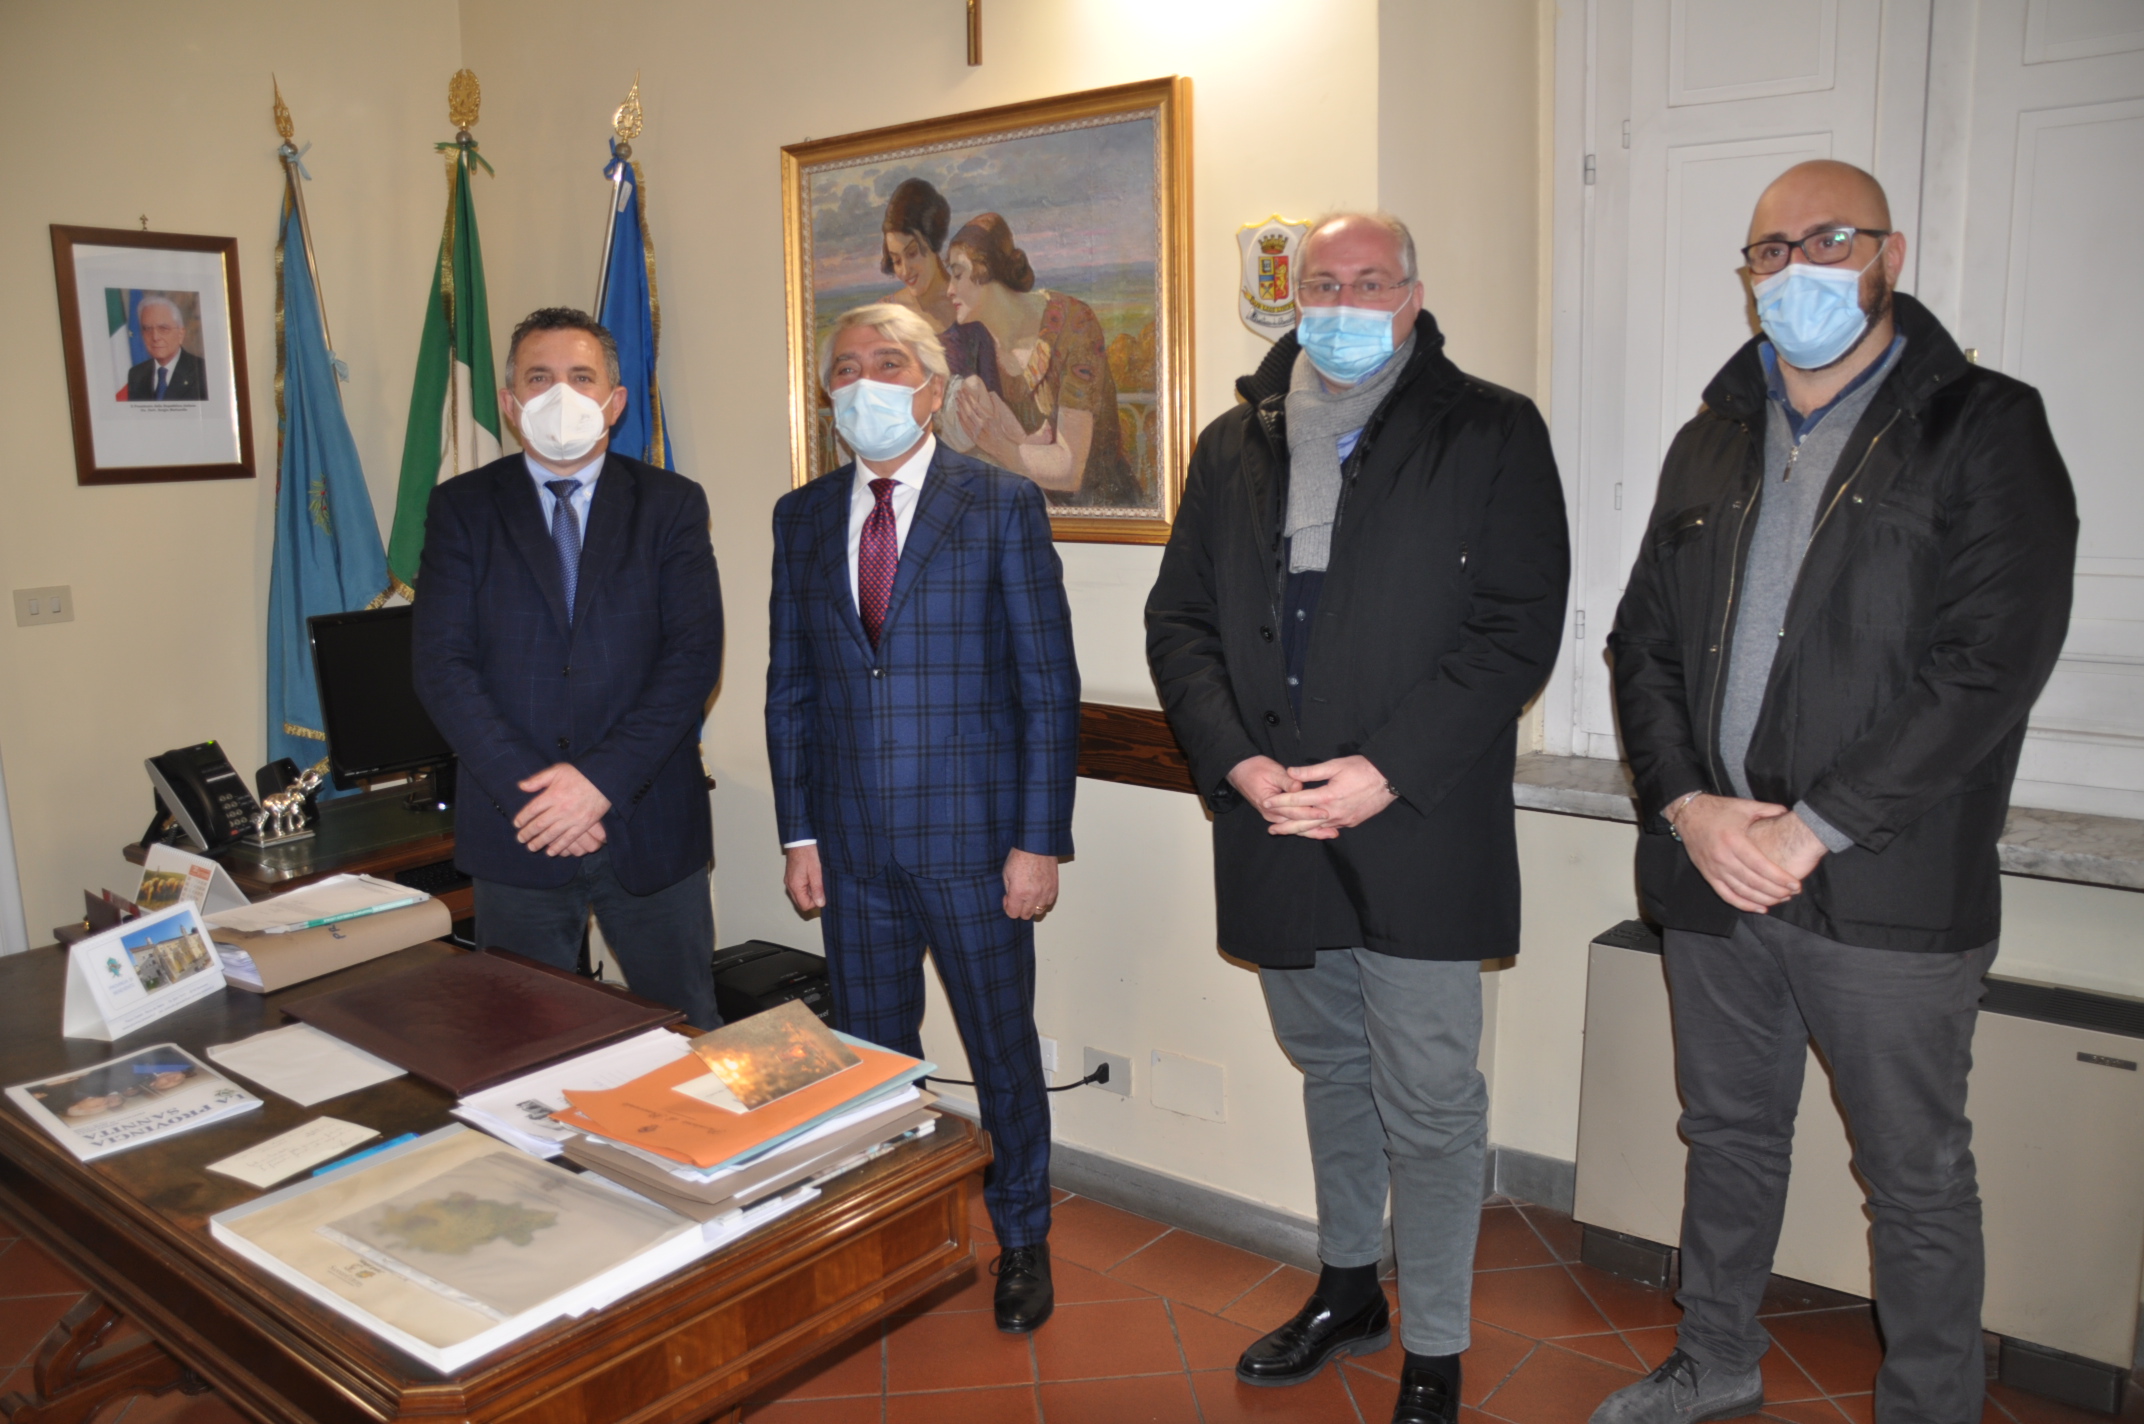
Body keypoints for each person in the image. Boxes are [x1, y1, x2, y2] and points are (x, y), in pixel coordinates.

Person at [1595, 160, 2076, 1424]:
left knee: (1913, 1177)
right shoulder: (1709, 436)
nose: (1796, 268)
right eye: (1770, 249)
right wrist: (1688, 806)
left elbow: (1990, 663)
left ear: (1887, 255)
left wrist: (1811, 828)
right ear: (1746, 274)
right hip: (1713, 869)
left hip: (1885, 878)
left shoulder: (1982, 425)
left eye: (1828, 241)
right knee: (1725, 1135)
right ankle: (1714, 1357)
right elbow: (1640, 643)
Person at [1145, 213, 1569, 1424]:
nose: (1340, 302)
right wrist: (1234, 762)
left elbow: (1514, 630)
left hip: (1416, 819)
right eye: (1321, 284)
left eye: (1367, 281)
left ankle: (1433, 1338)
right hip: (1274, 820)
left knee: (1430, 1098)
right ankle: (1346, 1287)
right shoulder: (1232, 440)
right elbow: (1179, 622)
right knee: (1328, 1062)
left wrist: (1384, 769)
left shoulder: (1489, 428)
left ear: (1411, 295)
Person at [766, 301, 1078, 1333]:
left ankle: (1021, 1234)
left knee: (1000, 1052)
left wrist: (1037, 840)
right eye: (845, 366)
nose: (864, 381)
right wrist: (799, 832)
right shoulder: (802, 516)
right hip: (850, 848)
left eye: (889, 362)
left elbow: (1046, 689)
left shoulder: (999, 505)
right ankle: (894, 1231)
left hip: (976, 846)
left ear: (934, 389)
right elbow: (790, 688)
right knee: (872, 1059)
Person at [412, 307, 725, 1028]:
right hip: (517, 827)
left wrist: (597, 786)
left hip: (651, 825)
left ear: (615, 401)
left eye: (581, 378)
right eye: (539, 378)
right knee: (524, 1043)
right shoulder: (461, 508)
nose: (561, 395)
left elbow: (691, 661)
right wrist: (543, 801)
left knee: (686, 1034)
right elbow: (442, 666)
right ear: (509, 401)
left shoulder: (671, 505)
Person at [939, 213, 1136, 508]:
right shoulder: (972, 340)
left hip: (1099, 513)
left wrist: (1000, 446)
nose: (949, 290)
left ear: (987, 270)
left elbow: (1069, 470)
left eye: (957, 274)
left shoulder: (1073, 323)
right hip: (1022, 510)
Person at [125, 295, 207, 401]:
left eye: (163, 329)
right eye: (148, 329)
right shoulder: (136, 374)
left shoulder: (202, 371)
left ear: (180, 334)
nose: (155, 337)